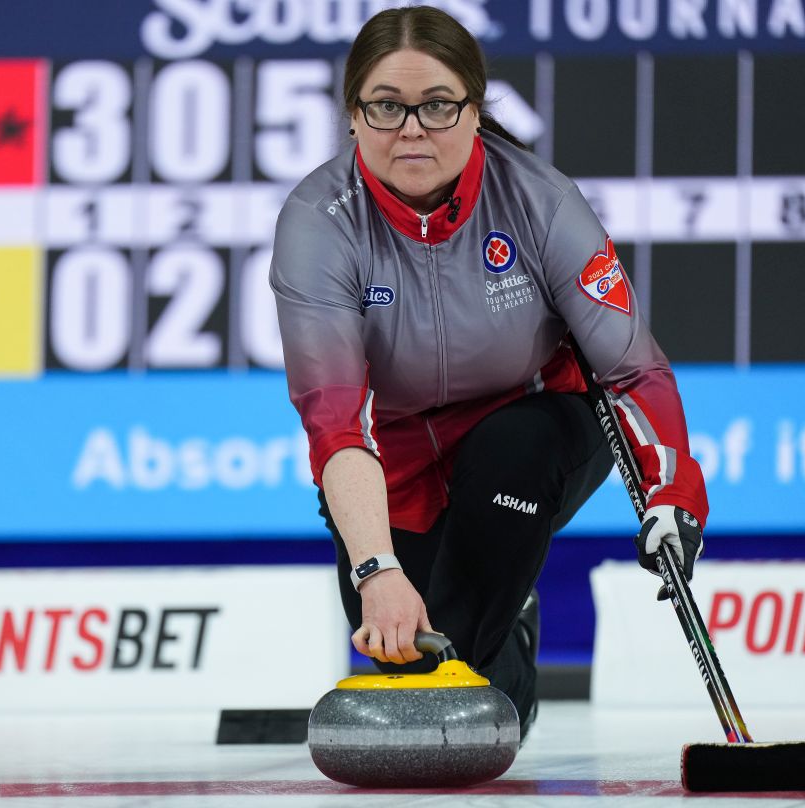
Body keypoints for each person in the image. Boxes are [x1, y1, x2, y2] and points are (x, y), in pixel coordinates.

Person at [269, 6, 708, 738]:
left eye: (438, 105)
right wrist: (376, 571)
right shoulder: (318, 222)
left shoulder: (542, 202)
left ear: (475, 110)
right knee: (411, 660)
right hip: (404, 458)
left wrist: (673, 491)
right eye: (386, 106)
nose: (412, 128)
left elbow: (631, 371)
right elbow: (335, 425)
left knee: (446, 679)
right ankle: (512, 627)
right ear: (352, 117)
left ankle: (490, 616)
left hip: (538, 428)